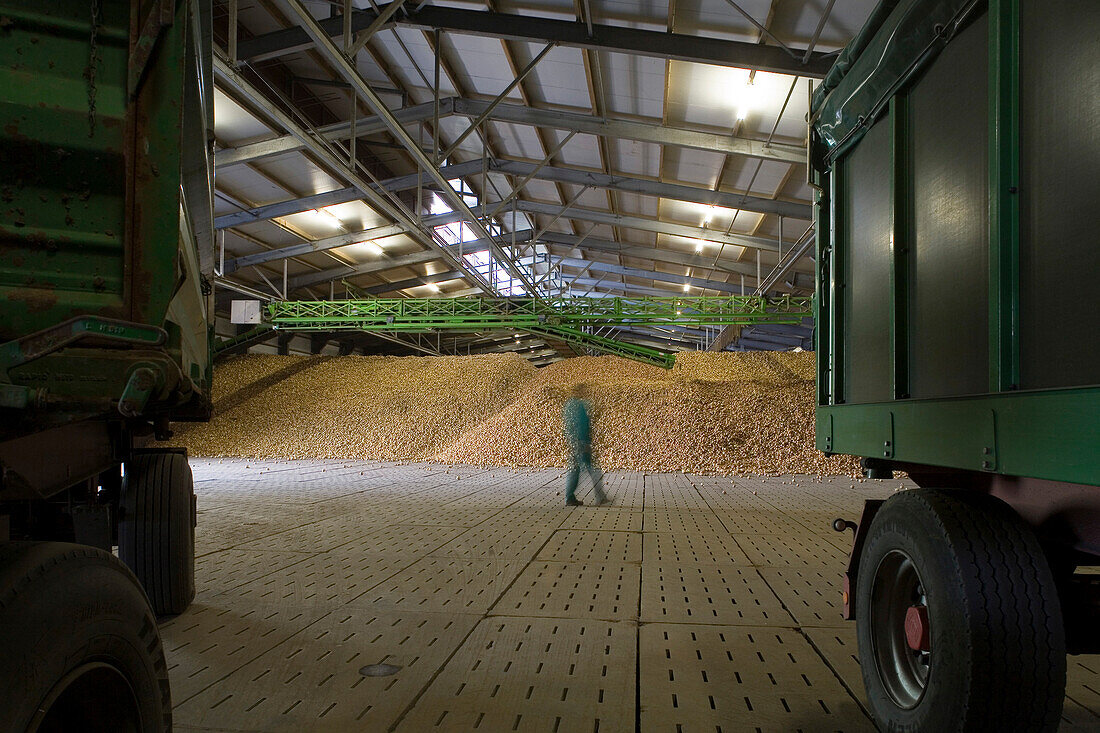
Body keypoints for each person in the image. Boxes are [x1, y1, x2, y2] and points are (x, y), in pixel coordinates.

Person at [562, 384, 609, 507]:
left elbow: (566, 427)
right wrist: (585, 442)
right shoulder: (579, 406)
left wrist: (571, 441)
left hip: (573, 443)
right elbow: (583, 425)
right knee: (593, 469)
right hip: (581, 443)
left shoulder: (568, 405)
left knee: (574, 469)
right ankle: (600, 496)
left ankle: (569, 497)